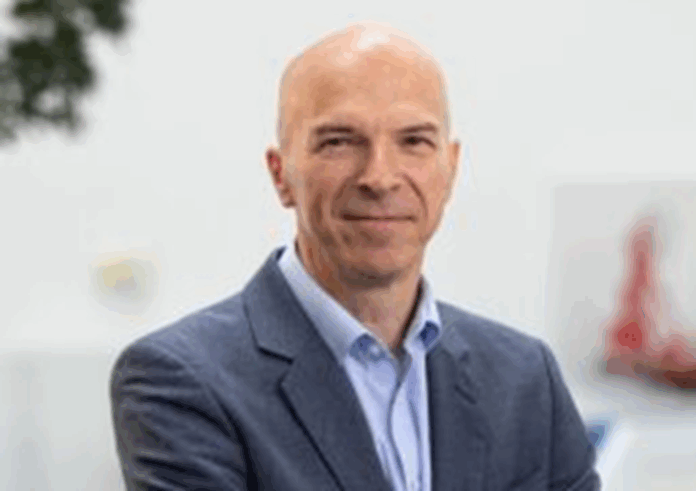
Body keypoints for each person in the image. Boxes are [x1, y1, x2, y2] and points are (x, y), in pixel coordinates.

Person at [110, 22, 600, 491]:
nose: (380, 177)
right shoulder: (181, 380)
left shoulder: (523, 378)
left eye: (414, 141)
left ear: (450, 168)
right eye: (339, 142)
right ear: (281, 175)